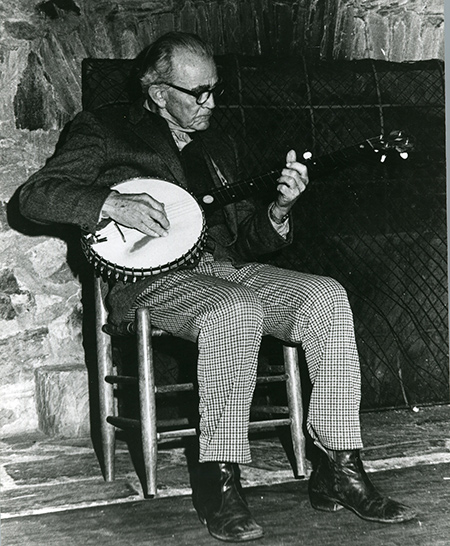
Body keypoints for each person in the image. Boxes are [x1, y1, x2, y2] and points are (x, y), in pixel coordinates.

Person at [19, 31, 416, 542]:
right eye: (197, 93)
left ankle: (340, 468)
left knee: (325, 296)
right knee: (235, 308)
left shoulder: (221, 143)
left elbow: (248, 238)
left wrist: (279, 210)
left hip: (225, 270)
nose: (211, 103)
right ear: (159, 93)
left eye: (215, 90)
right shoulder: (104, 128)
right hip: (151, 284)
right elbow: (35, 196)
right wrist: (111, 204)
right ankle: (220, 480)